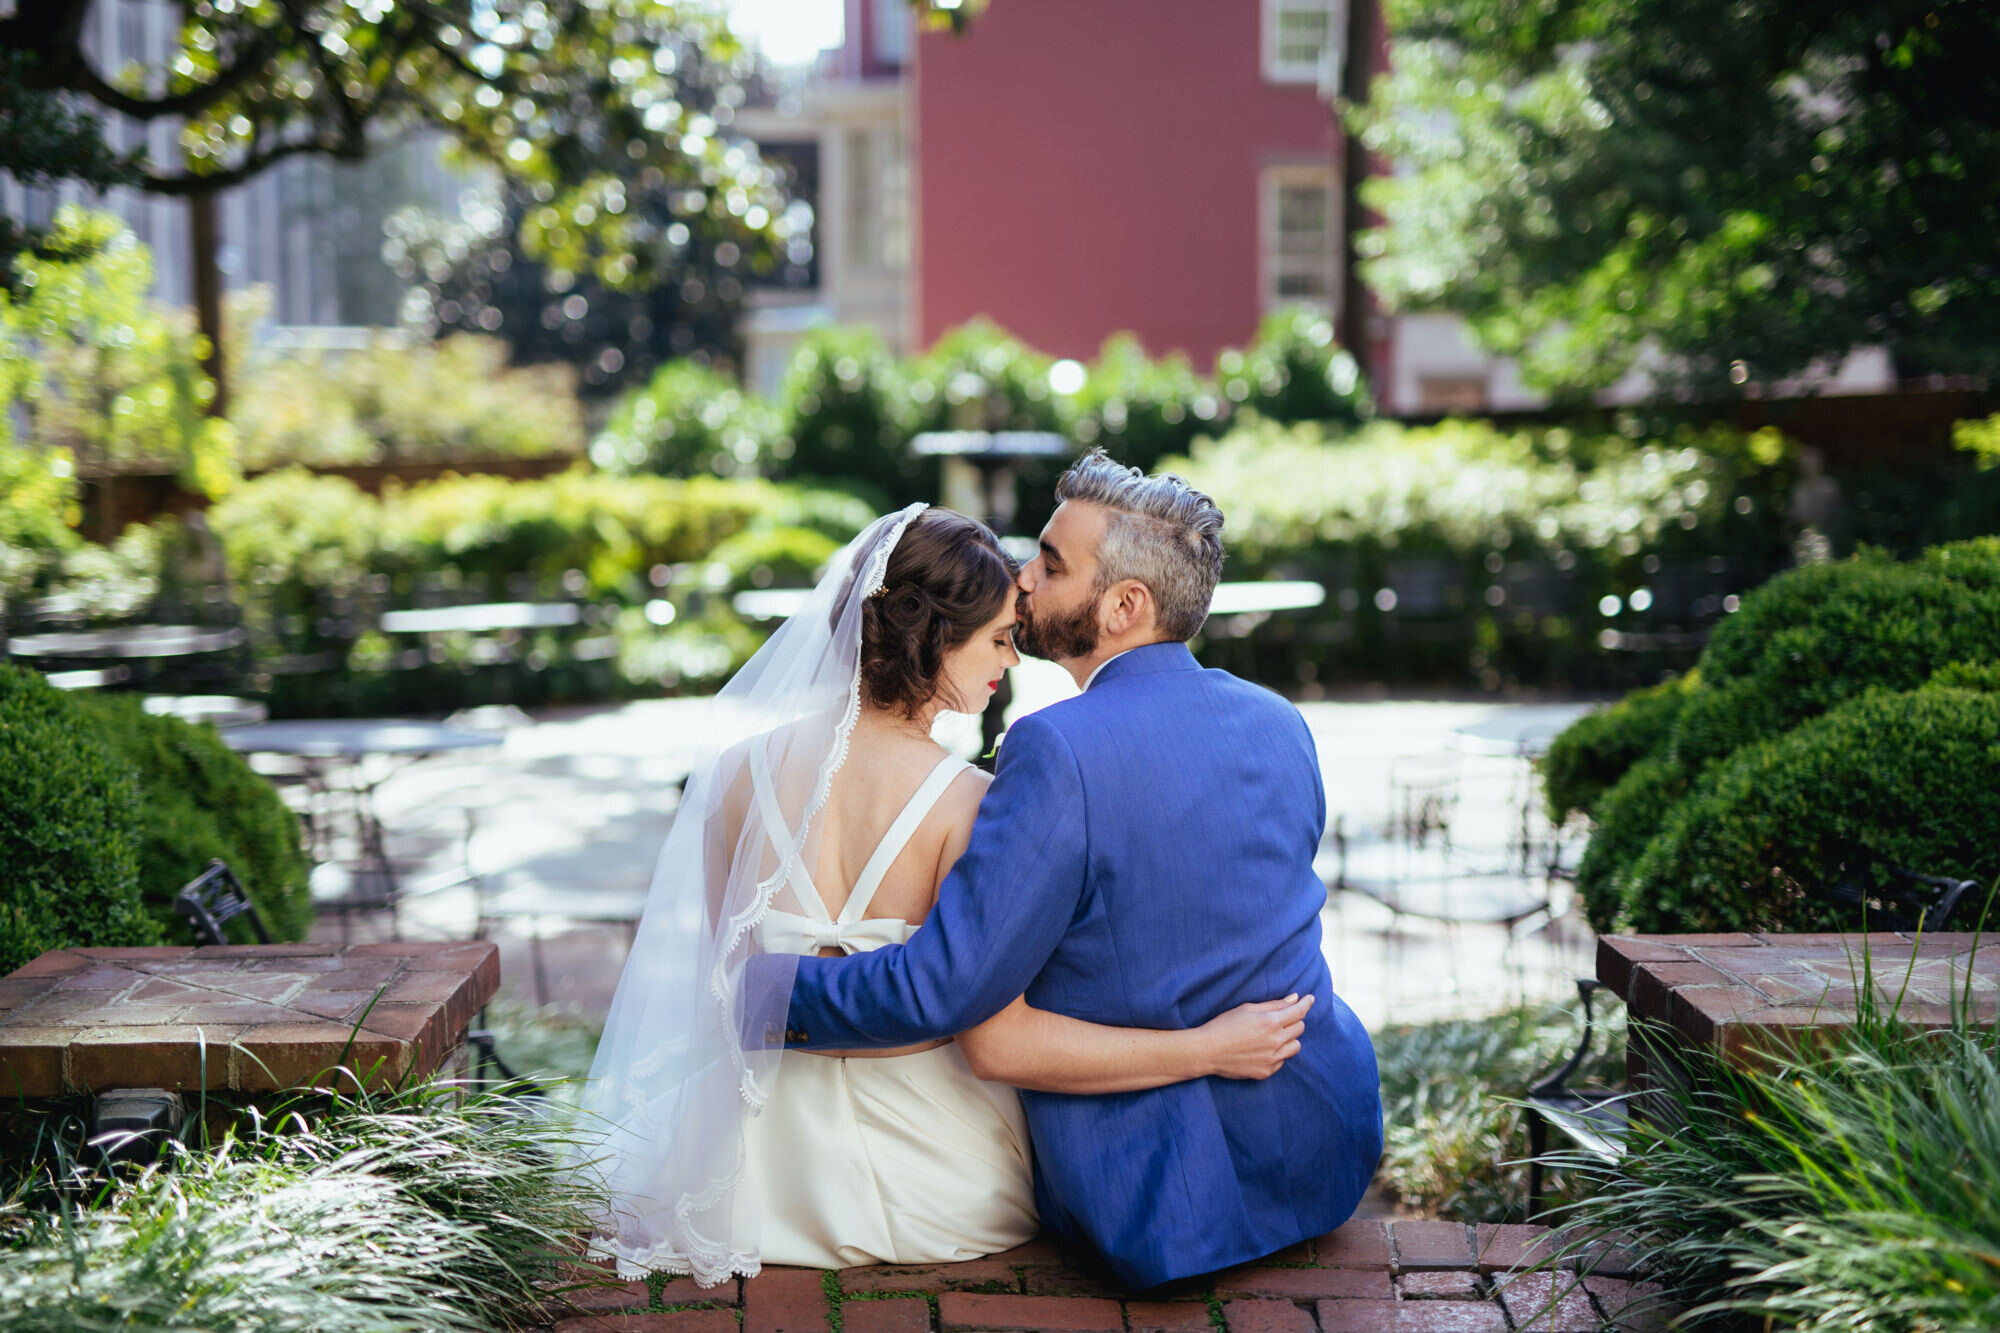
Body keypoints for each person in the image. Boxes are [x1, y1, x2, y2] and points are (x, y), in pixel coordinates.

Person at [576, 503, 1314, 1283]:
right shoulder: (969, 801)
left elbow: (731, 963)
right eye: (999, 637)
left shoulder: (730, 776)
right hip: (932, 1176)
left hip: (744, 1163)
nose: (1013, 658)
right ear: (934, 639)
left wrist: (767, 987)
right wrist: (1206, 1046)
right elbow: (986, 1026)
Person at [781, 453, 1384, 1290]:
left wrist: (761, 994)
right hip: (1325, 1141)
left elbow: (944, 988)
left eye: (1051, 563)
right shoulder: (1279, 721)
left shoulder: (1055, 747)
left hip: (1161, 1199)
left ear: (1124, 606)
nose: (1021, 580)